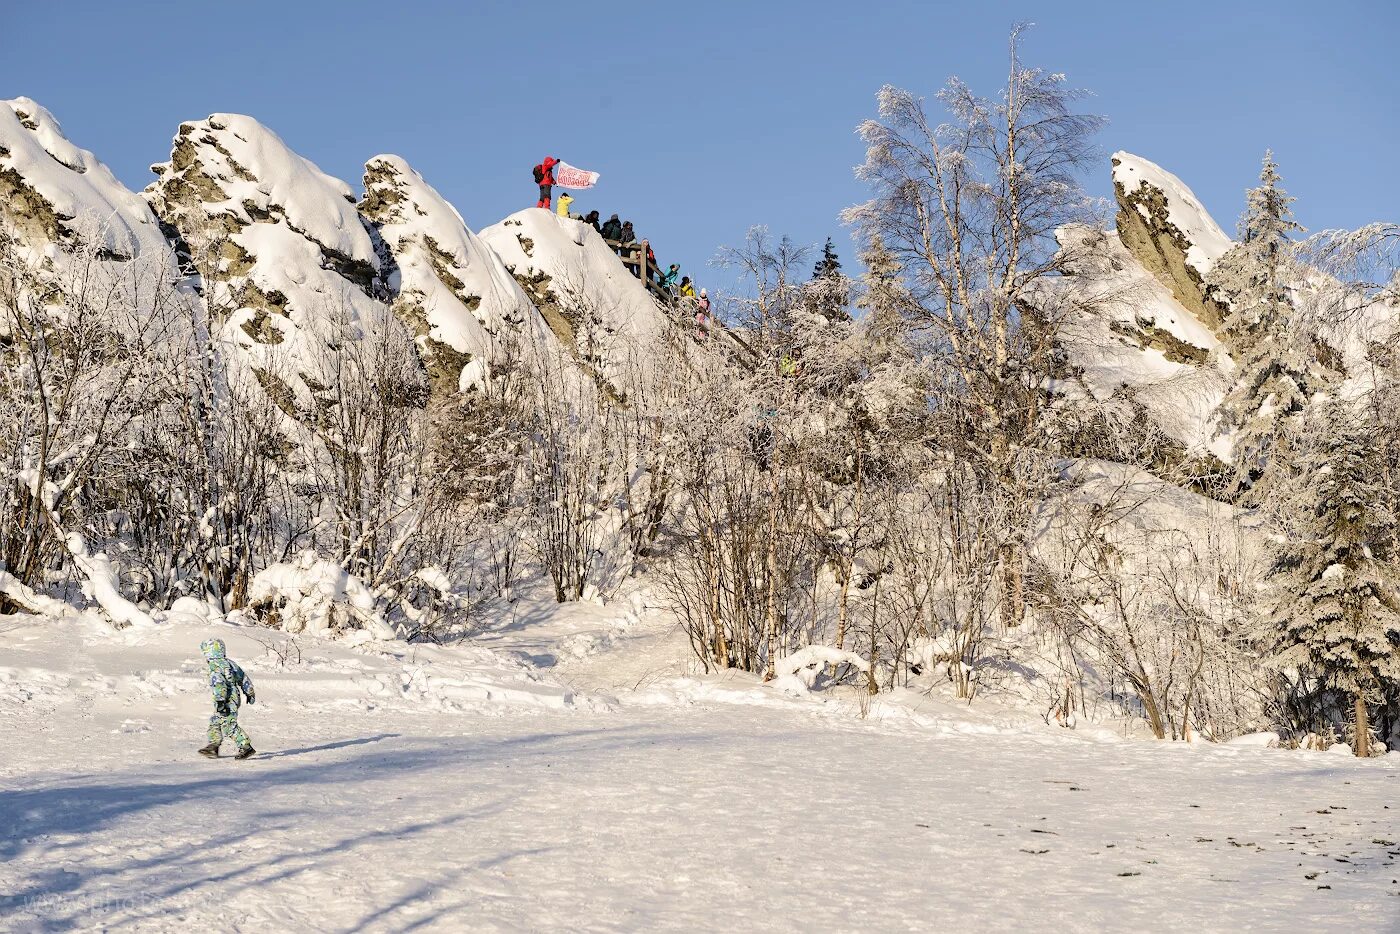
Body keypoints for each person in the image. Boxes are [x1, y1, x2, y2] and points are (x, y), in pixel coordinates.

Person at [196, 638, 256, 759]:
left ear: (209, 653)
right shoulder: (230, 663)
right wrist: (249, 692)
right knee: (215, 721)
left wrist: (220, 701)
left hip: (226, 699)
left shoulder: (214, 666)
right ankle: (213, 745)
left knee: (228, 725)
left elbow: (219, 684)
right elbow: (243, 677)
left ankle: (245, 746)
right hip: (233, 698)